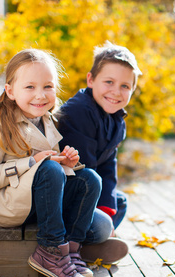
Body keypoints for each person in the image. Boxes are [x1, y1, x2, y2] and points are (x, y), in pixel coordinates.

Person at [0, 49, 114, 277]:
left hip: (32, 199)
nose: (40, 95)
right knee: (95, 223)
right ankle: (50, 252)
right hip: (0, 204)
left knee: (90, 179)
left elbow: (47, 171)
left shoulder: (47, 120)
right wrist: (32, 163)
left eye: (48, 86)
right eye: (30, 87)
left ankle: (71, 251)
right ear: (10, 91)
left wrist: (65, 164)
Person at [56, 41, 141, 262]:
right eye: (109, 82)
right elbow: (85, 174)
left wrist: (106, 208)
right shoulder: (79, 112)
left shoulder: (116, 118)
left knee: (118, 202)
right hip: (65, 194)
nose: (116, 91)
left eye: (125, 86)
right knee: (103, 224)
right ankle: (75, 246)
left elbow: (108, 165)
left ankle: (90, 246)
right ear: (91, 80)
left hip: (85, 192)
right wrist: (103, 217)